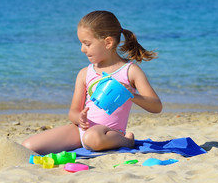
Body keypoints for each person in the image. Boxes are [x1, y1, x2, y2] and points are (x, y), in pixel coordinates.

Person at [22, 10, 162, 155]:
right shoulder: (84, 73)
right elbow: (73, 112)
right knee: (28, 146)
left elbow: (156, 106)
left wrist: (131, 95)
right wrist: (79, 118)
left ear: (108, 42)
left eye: (87, 44)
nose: (82, 49)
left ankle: (127, 141)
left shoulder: (130, 71)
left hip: (107, 134)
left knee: (92, 138)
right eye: (81, 43)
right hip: (80, 131)